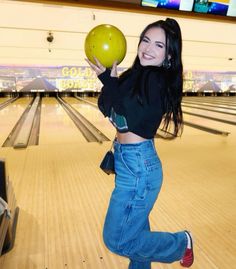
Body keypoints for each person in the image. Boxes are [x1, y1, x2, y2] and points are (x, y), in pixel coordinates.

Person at [86, 18, 194, 269]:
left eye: (158, 45)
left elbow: (124, 119)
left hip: (139, 168)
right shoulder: (134, 75)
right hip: (127, 162)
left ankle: (180, 244)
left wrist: (110, 84)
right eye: (145, 40)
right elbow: (106, 106)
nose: (148, 48)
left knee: (118, 240)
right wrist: (109, 79)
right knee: (136, 241)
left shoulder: (156, 81)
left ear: (169, 56)